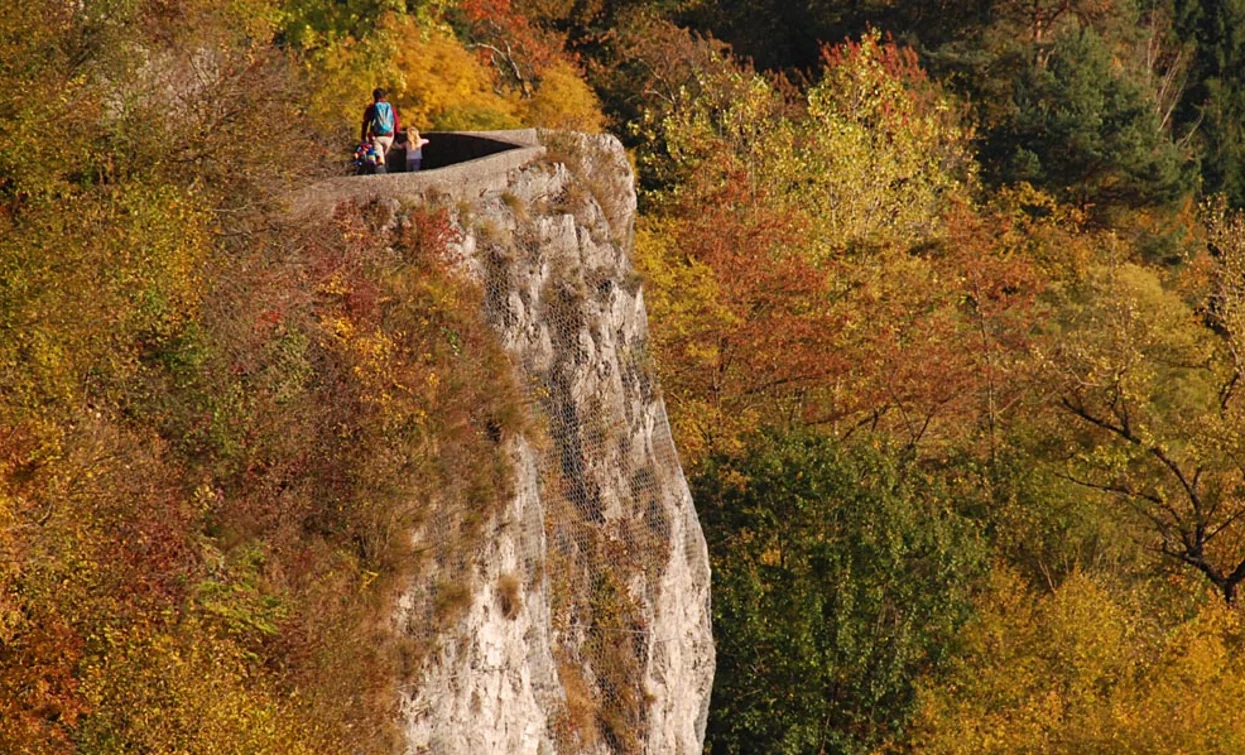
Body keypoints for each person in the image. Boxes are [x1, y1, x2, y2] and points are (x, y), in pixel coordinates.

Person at [361, 88, 400, 166]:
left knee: (378, 159)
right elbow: (397, 123)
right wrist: (396, 137)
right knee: (385, 156)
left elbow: (365, 123)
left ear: (374, 97)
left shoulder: (371, 108)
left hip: (376, 137)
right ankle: (386, 171)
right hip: (389, 136)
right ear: (385, 96)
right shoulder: (391, 108)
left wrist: (363, 138)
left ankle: (380, 172)